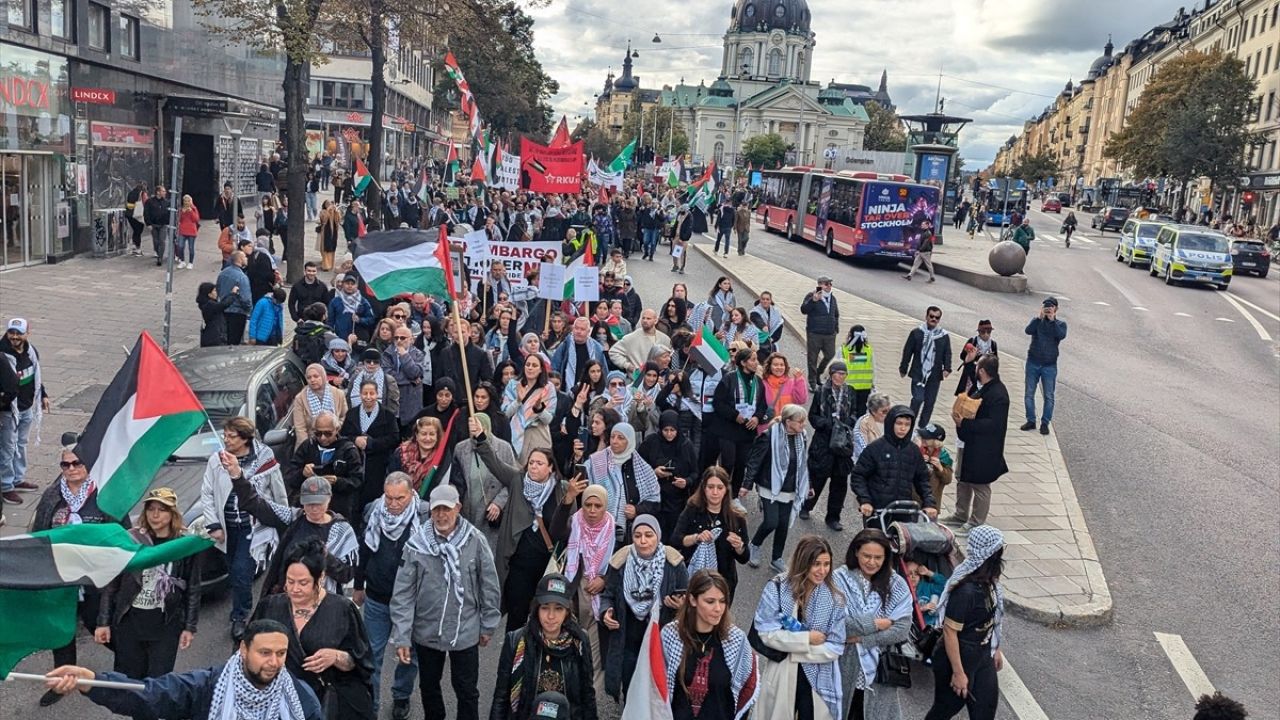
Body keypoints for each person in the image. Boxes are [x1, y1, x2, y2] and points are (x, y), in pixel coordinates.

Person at [42, 619, 323, 719]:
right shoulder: (209, 687)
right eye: (265, 653)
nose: (274, 662)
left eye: (281, 653)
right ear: (243, 649)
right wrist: (92, 681)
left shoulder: (301, 699)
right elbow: (151, 695)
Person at [388, 483, 501, 720]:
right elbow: (403, 594)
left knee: (467, 690)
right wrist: (402, 635)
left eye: (446, 509)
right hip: (427, 630)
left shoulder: (475, 540)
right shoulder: (416, 545)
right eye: (436, 510)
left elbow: (489, 585)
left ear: (458, 507)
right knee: (429, 687)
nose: (441, 515)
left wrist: (489, 623)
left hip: (466, 628)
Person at [32, 434, 129, 707]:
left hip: (95, 578)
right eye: (66, 465)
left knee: (102, 625)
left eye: (77, 463)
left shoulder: (105, 495)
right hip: (60, 578)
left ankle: (126, 674)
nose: (72, 469)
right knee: (61, 633)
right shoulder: (52, 495)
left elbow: (121, 534)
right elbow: (39, 534)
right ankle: (62, 682)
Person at [250, 541, 375, 718]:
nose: (295, 589)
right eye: (290, 581)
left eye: (303, 583)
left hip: (325, 703)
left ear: (321, 578)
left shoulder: (342, 610)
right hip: (277, 702)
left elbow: (361, 661)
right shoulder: (269, 607)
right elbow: (246, 652)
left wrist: (336, 657)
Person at [465, 416, 567, 631]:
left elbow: (567, 527)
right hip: (519, 565)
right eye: (531, 463)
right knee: (516, 619)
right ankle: (511, 662)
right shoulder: (517, 480)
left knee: (544, 621)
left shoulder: (562, 490)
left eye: (540, 464)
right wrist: (481, 437)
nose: (534, 467)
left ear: (550, 468)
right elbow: (494, 462)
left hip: (547, 565)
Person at [95, 488, 202, 680]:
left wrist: (189, 627)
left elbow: (193, 588)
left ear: (172, 514)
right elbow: (112, 585)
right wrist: (103, 622)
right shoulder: (132, 541)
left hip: (165, 625)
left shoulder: (184, 545)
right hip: (130, 622)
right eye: (151, 509)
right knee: (128, 680)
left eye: (162, 510)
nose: (155, 515)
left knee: (158, 684)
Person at [199, 417, 288, 642]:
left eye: (231, 436)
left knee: (241, 572)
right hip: (228, 529)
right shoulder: (217, 460)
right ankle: (243, 605)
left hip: (253, 528)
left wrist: (284, 519)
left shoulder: (264, 457)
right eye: (225, 435)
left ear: (245, 438)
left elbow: (278, 491)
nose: (226, 440)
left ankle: (241, 616)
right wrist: (214, 524)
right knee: (234, 571)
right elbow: (208, 492)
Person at [752, 535, 846, 720]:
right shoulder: (777, 587)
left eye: (826, 564)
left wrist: (794, 652)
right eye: (816, 564)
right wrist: (807, 639)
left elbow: (836, 646)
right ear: (803, 562)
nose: (822, 570)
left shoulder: (836, 599)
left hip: (819, 678)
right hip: (783, 672)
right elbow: (766, 632)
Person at [599, 514, 689, 702]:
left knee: (657, 688)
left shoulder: (673, 563)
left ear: (658, 536)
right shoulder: (621, 561)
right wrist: (606, 612)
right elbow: (607, 595)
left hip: (661, 639)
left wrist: (681, 607)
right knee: (630, 687)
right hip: (628, 638)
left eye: (649, 535)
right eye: (638, 535)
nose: (643, 541)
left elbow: (688, 600)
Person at [489, 573, 600, 720]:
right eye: (545, 608)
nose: (551, 616)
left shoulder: (579, 640)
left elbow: (587, 695)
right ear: (536, 609)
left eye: (558, 608)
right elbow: (501, 696)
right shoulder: (516, 640)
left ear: (567, 611)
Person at [923, 526, 1006, 720]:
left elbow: (993, 617)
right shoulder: (965, 592)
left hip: (982, 654)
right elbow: (950, 633)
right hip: (959, 658)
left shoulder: (989, 582)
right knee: (945, 709)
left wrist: (996, 647)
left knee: (985, 710)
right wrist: (959, 673)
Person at [832, 529, 912, 720]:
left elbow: (901, 630)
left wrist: (861, 639)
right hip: (844, 667)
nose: (872, 562)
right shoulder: (838, 579)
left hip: (880, 674)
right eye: (867, 556)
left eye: (878, 557)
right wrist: (876, 623)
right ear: (856, 552)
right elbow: (838, 625)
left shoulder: (896, 584)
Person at [660, 570, 760, 720]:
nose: (718, 609)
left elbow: (745, 692)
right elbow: (656, 689)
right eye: (710, 601)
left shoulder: (736, 640)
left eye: (722, 601)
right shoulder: (670, 635)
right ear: (693, 600)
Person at [548, 483, 613, 701]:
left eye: (598, 506)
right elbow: (556, 531)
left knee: (594, 660)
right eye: (588, 505)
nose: (592, 510)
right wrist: (568, 501)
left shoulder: (616, 530)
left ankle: (586, 705)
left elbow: (620, 567)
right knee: (568, 652)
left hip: (599, 605)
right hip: (574, 598)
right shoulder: (575, 523)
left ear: (605, 507)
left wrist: (603, 579)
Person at [741, 404, 813, 573]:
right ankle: (755, 545)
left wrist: (808, 485)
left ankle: (776, 558)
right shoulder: (769, 436)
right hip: (770, 486)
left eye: (804, 421)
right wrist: (746, 485)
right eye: (800, 421)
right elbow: (754, 461)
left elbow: (803, 463)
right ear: (788, 422)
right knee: (771, 522)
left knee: (783, 524)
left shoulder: (801, 436)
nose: (803, 425)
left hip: (790, 488)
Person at [947, 355, 1010, 533]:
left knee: (980, 486)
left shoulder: (998, 394)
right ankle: (960, 514)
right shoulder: (982, 387)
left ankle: (976, 521)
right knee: (963, 480)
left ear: (982, 371)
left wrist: (964, 423)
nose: (975, 369)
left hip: (985, 449)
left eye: (977, 367)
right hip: (970, 443)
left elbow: (993, 424)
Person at [672, 467, 750, 601]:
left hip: (723, 583)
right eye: (711, 487)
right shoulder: (692, 510)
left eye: (720, 488)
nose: (715, 492)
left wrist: (739, 547)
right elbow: (676, 540)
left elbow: (745, 557)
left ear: (726, 490)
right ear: (704, 488)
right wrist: (696, 538)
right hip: (693, 579)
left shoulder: (736, 518)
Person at [850, 405, 938, 521]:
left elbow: (922, 479)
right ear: (891, 423)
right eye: (899, 423)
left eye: (907, 425)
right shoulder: (876, 448)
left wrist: (929, 503)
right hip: (877, 510)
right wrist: (865, 500)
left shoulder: (913, 451)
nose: (903, 428)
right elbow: (858, 475)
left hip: (904, 509)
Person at [709, 348, 770, 506]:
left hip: (747, 430)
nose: (756, 363)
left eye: (756, 359)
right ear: (743, 362)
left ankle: (734, 496)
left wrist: (757, 417)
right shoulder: (729, 379)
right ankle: (720, 493)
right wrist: (734, 415)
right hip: (728, 429)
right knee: (728, 462)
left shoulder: (758, 382)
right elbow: (718, 403)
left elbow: (763, 405)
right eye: (752, 360)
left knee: (742, 463)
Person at [585, 422, 662, 544]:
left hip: (627, 536)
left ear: (630, 441)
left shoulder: (642, 468)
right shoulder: (596, 462)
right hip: (596, 531)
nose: (615, 441)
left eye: (621, 438)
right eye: (612, 437)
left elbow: (654, 501)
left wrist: (637, 510)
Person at [801, 362, 856, 531]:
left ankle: (833, 517)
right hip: (824, 442)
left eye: (843, 374)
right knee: (817, 477)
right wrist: (825, 423)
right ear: (831, 374)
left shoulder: (851, 392)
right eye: (837, 373)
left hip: (842, 443)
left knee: (839, 483)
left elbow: (855, 413)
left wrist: (847, 424)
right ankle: (806, 506)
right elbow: (813, 416)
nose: (840, 377)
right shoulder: (821, 391)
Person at [286, 411, 363, 520]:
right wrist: (302, 473)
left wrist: (337, 481)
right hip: (308, 511)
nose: (322, 438)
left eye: (327, 433)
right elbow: (289, 477)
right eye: (318, 433)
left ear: (337, 429)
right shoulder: (308, 446)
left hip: (338, 510)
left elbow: (357, 480)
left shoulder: (348, 450)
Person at [340, 380, 402, 513]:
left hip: (378, 464)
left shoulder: (388, 415)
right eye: (365, 393)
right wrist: (355, 440)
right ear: (360, 394)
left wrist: (372, 443)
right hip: (355, 463)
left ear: (377, 394)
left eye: (372, 393)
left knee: (374, 498)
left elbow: (394, 438)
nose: (368, 397)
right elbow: (343, 436)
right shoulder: (351, 414)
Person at [639, 410, 699, 542]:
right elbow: (638, 466)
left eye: (673, 430)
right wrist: (653, 472)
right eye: (666, 430)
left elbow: (695, 472)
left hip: (677, 500)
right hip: (654, 498)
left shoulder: (685, 445)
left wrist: (686, 481)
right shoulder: (651, 442)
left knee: (673, 536)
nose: (669, 434)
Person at [387, 415, 465, 498]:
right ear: (416, 435)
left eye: (432, 434)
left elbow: (457, 484)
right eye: (423, 434)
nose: (428, 438)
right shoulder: (401, 453)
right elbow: (391, 479)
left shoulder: (445, 458)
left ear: (437, 436)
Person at [899, 305, 951, 427]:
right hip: (919, 372)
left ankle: (922, 428)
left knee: (929, 403)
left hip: (934, 375)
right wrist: (903, 367)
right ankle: (909, 424)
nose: (934, 319)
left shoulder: (943, 335)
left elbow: (947, 352)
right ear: (926, 316)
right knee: (917, 399)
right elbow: (908, 351)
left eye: (937, 318)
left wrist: (947, 368)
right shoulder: (917, 332)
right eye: (931, 316)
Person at [1022, 297, 1067, 435]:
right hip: (1033, 362)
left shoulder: (1060, 324)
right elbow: (1028, 331)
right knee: (1029, 393)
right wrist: (1038, 318)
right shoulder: (1037, 322)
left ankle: (1045, 423)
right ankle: (1031, 420)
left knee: (1049, 395)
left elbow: (1061, 335)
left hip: (1049, 365)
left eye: (1050, 307)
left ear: (1056, 309)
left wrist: (1052, 320)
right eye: (1046, 307)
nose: (1048, 310)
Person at [291, 363, 349, 449]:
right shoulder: (300, 398)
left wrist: (334, 428)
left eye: (316, 376)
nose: (312, 380)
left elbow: (345, 416)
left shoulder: (338, 394)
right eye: (309, 377)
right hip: (312, 442)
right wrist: (307, 448)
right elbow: (300, 428)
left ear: (323, 376)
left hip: (335, 439)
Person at [383, 324, 427, 429]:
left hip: (411, 403)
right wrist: (410, 381)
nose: (399, 340)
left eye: (402, 338)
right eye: (396, 337)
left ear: (411, 339)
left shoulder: (418, 354)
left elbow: (415, 373)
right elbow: (387, 375)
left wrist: (404, 355)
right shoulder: (387, 353)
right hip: (392, 401)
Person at [800, 276, 839, 389]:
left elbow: (836, 314)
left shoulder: (832, 298)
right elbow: (803, 310)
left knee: (830, 356)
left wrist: (835, 329)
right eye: (826, 284)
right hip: (815, 333)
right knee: (812, 358)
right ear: (820, 285)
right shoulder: (812, 296)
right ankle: (812, 382)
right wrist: (813, 301)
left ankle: (818, 373)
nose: (829, 286)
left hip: (829, 334)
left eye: (830, 284)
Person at [608, 309, 671, 374]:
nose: (645, 321)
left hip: (658, 378)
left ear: (655, 321)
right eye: (643, 318)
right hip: (637, 379)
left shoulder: (665, 339)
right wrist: (627, 365)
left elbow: (669, 357)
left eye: (648, 318)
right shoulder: (631, 338)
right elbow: (613, 352)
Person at [551, 317, 609, 387]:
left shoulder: (597, 348)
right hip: (568, 389)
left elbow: (604, 371)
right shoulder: (565, 346)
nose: (578, 331)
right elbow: (555, 367)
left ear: (588, 332)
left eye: (582, 329)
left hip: (591, 389)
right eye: (576, 328)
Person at [349, 348, 401, 417]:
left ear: (380, 363)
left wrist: (389, 419)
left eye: (376, 362)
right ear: (363, 362)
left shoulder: (388, 379)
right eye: (368, 361)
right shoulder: (355, 377)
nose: (372, 364)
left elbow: (393, 403)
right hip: (356, 417)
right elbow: (348, 398)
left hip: (381, 419)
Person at [915, 423, 954, 515]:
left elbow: (947, 480)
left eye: (927, 437)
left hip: (932, 504)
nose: (923, 438)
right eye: (922, 435)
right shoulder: (916, 449)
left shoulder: (943, 456)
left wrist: (940, 468)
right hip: (913, 501)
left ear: (936, 441)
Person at [216, 252, 254, 344]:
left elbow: (218, 289)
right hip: (238, 312)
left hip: (224, 309)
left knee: (225, 339)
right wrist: (249, 309)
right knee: (235, 341)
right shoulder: (242, 277)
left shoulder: (223, 273)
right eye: (245, 257)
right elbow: (245, 298)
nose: (246, 259)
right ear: (239, 260)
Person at [329, 274, 377, 345]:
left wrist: (360, 320)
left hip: (358, 340)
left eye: (352, 284)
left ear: (356, 286)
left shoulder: (362, 302)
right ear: (343, 284)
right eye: (347, 283)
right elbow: (330, 321)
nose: (350, 286)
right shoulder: (335, 301)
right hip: (340, 340)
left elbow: (371, 319)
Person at [954, 319, 997, 398]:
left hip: (985, 376)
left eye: (988, 332)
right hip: (970, 375)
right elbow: (962, 356)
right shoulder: (973, 341)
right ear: (979, 332)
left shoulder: (993, 344)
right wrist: (969, 354)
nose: (986, 335)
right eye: (983, 332)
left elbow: (995, 361)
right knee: (966, 397)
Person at [839, 325, 874, 418]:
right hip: (865, 387)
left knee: (848, 411)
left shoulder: (844, 350)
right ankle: (859, 430)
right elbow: (873, 368)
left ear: (850, 335)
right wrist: (873, 384)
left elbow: (836, 366)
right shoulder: (869, 350)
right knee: (861, 412)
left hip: (849, 386)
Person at [852, 393, 890, 463]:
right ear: (874, 411)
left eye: (889, 410)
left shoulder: (892, 421)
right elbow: (863, 450)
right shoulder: (863, 423)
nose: (888, 414)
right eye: (884, 411)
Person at [196, 282, 236, 347]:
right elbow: (224, 304)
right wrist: (233, 294)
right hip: (215, 336)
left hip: (211, 334)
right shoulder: (210, 305)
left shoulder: (206, 303)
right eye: (214, 291)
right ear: (209, 294)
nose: (216, 292)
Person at [144, 185, 171, 266]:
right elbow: (146, 213)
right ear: (158, 192)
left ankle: (160, 258)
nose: (165, 193)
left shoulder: (167, 202)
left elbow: (168, 213)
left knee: (162, 241)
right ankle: (157, 251)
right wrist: (148, 223)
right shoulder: (149, 201)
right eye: (163, 191)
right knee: (156, 241)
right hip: (153, 224)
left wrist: (168, 222)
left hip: (163, 225)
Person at [176, 194, 200, 269]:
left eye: (188, 201)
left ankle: (190, 262)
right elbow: (179, 219)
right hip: (183, 230)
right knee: (180, 246)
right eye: (185, 201)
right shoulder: (181, 209)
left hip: (191, 231)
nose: (186, 203)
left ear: (191, 202)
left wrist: (191, 212)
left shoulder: (194, 208)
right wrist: (182, 212)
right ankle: (182, 261)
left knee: (191, 247)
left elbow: (196, 219)